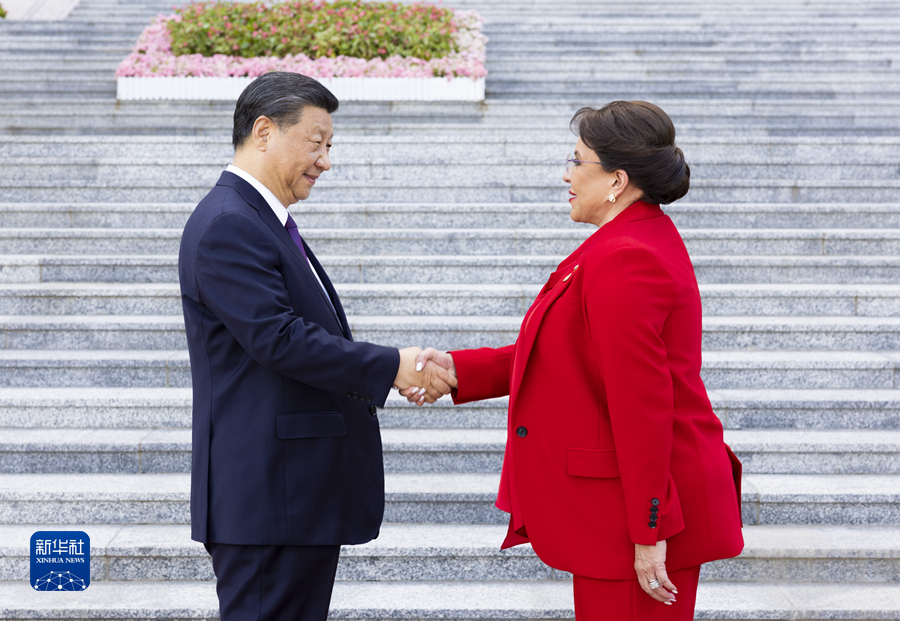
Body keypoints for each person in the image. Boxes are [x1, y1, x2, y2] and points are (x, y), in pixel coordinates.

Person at [408, 101, 744, 620]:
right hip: (633, 505)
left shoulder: (626, 256)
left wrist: (649, 529)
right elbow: (567, 350)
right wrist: (458, 370)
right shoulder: (626, 241)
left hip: (645, 510)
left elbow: (641, 403)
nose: (566, 175)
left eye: (577, 160)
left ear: (617, 180)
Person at [178, 72, 455, 621]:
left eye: (330, 146)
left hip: (289, 497)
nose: (325, 161)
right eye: (316, 142)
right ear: (264, 132)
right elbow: (279, 339)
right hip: (269, 498)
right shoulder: (229, 223)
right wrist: (394, 366)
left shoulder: (260, 220)